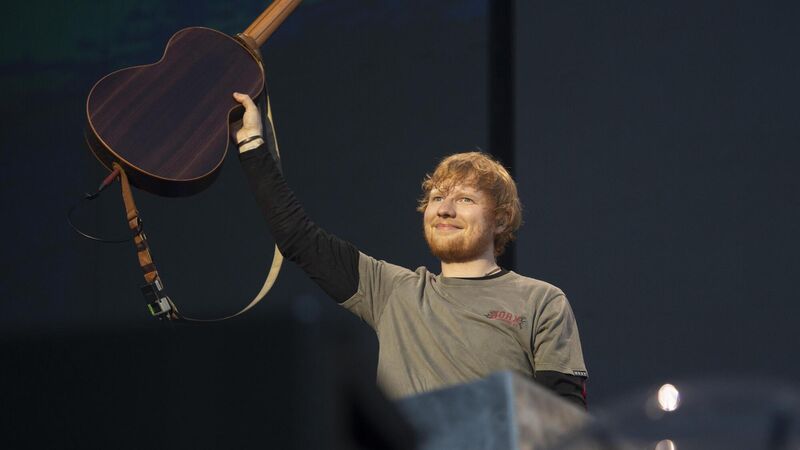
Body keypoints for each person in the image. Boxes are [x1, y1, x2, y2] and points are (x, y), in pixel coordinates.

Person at [232, 92, 589, 408]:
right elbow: (298, 237)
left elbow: (566, 422)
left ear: (500, 220)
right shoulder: (392, 290)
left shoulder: (541, 301)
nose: (444, 210)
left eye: (465, 199)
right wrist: (251, 144)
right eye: (437, 198)